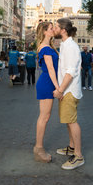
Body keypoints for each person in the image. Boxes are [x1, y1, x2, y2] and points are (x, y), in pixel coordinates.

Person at [53, 18, 84, 170]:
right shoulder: (65, 45)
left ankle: (78, 156)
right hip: (67, 90)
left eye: (56, 27)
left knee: (72, 121)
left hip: (69, 90)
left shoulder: (71, 46)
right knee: (68, 120)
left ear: (63, 30)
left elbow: (70, 72)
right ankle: (72, 148)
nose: (54, 29)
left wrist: (60, 90)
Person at [32, 22, 60, 163]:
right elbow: (50, 69)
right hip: (47, 83)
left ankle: (38, 148)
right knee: (44, 117)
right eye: (51, 28)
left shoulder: (50, 47)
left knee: (45, 116)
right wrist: (58, 88)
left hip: (48, 82)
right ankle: (38, 148)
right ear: (44, 32)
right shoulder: (46, 48)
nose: (53, 30)